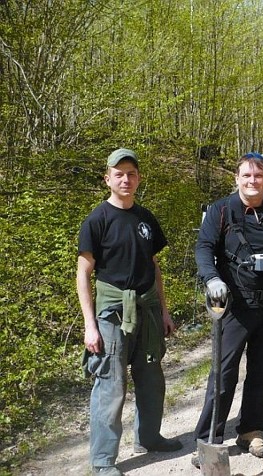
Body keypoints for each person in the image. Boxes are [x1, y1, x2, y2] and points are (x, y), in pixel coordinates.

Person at [193, 152, 263, 464]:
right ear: (237, 179)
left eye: (258, 176)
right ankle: (208, 442)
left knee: (261, 372)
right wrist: (212, 278)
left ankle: (251, 431)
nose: (253, 181)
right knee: (223, 374)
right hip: (234, 307)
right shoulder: (221, 210)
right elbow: (203, 248)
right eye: (246, 176)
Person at [77, 148, 181, 476]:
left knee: (151, 378)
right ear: (107, 178)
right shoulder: (97, 220)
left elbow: (154, 267)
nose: (126, 179)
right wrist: (89, 325)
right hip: (112, 314)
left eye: (131, 173)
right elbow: (83, 274)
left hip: (147, 310)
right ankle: (103, 461)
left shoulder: (146, 218)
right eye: (119, 173)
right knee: (111, 385)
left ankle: (148, 438)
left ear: (138, 179)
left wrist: (164, 312)